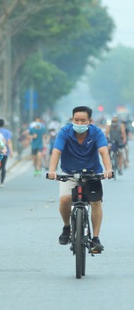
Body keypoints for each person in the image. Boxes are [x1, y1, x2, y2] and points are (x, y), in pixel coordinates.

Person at [47, 106, 113, 253]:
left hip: (92, 174)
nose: (80, 123)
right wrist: (52, 170)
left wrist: (108, 169)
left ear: (90, 121)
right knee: (65, 200)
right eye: (76, 120)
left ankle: (95, 238)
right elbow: (56, 151)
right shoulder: (65, 132)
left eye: (83, 120)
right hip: (69, 173)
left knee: (96, 202)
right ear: (72, 120)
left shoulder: (96, 133)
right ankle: (66, 227)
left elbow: (103, 151)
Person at [0, 119, 14, 186]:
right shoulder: (7, 132)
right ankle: (2, 182)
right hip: (5, 152)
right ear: (3, 124)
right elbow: (9, 142)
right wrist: (11, 151)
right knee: (3, 167)